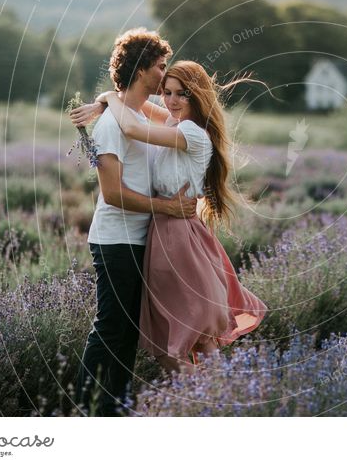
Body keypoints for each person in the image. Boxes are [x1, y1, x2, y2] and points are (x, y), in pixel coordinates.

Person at [75, 60, 267, 376]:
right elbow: (145, 110)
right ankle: (211, 397)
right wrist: (107, 101)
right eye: (167, 92)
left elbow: (134, 127)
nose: (172, 100)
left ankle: (212, 399)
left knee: (187, 333)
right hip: (166, 232)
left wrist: (108, 98)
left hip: (176, 235)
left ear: (197, 97)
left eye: (182, 94)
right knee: (180, 336)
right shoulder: (178, 123)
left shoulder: (191, 132)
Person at [71, 28, 197, 416]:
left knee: (128, 333)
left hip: (140, 239)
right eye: (160, 67)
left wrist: (107, 99)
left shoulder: (133, 115)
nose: (166, 74)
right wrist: (167, 207)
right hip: (116, 240)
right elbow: (112, 194)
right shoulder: (111, 126)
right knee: (111, 327)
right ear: (143, 69)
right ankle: (82, 410)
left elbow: (169, 118)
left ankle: (115, 410)